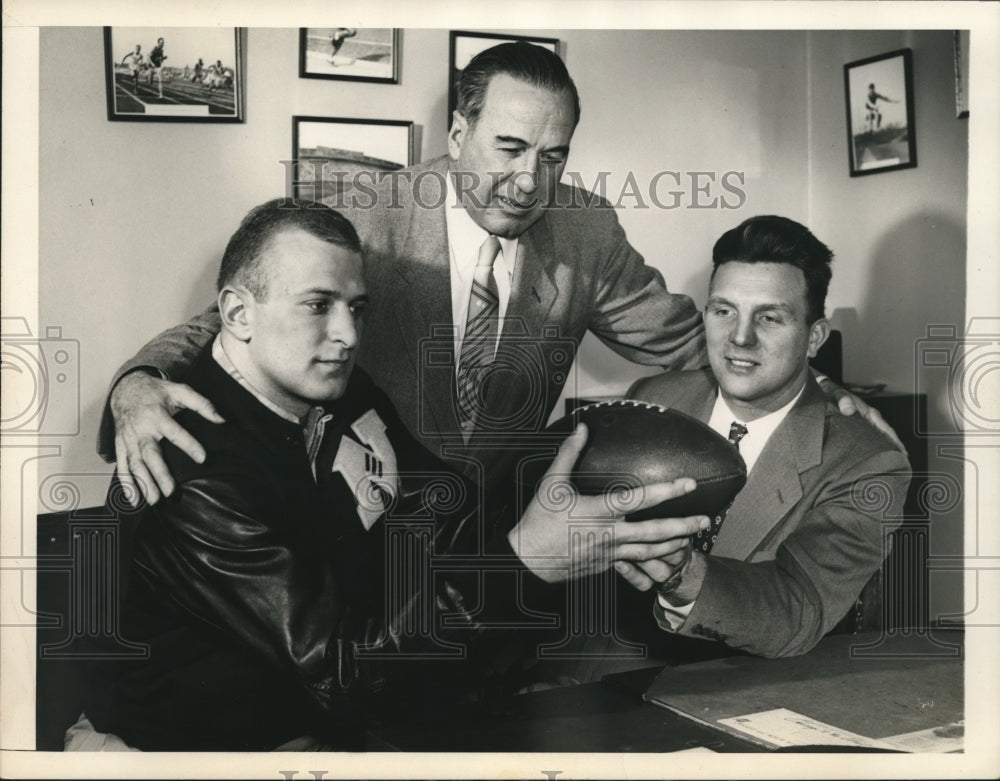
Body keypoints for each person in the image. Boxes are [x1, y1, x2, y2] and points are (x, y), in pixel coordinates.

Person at [99, 41, 897, 512]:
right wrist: (138, 381)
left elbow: (705, 337)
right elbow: (234, 318)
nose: (529, 181)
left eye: (553, 157)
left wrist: (819, 387)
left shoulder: (584, 230)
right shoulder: (372, 214)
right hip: (363, 517)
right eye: (509, 149)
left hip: (507, 522)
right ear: (458, 131)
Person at [66, 199, 709, 751]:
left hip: (344, 705)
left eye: (357, 306)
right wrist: (523, 564)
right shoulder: (192, 468)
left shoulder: (340, 392)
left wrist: (582, 524)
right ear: (236, 314)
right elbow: (341, 669)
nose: (347, 333)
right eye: (317, 305)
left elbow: (446, 509)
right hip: (217, 747)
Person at [614, 215, 912, 659]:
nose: (739, 337)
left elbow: (801, 610)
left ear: (814, 339)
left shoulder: (867, 461)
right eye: (723, 311)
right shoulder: (654, 399)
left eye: (769, 318)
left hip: (737, 688)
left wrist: (683, 572)